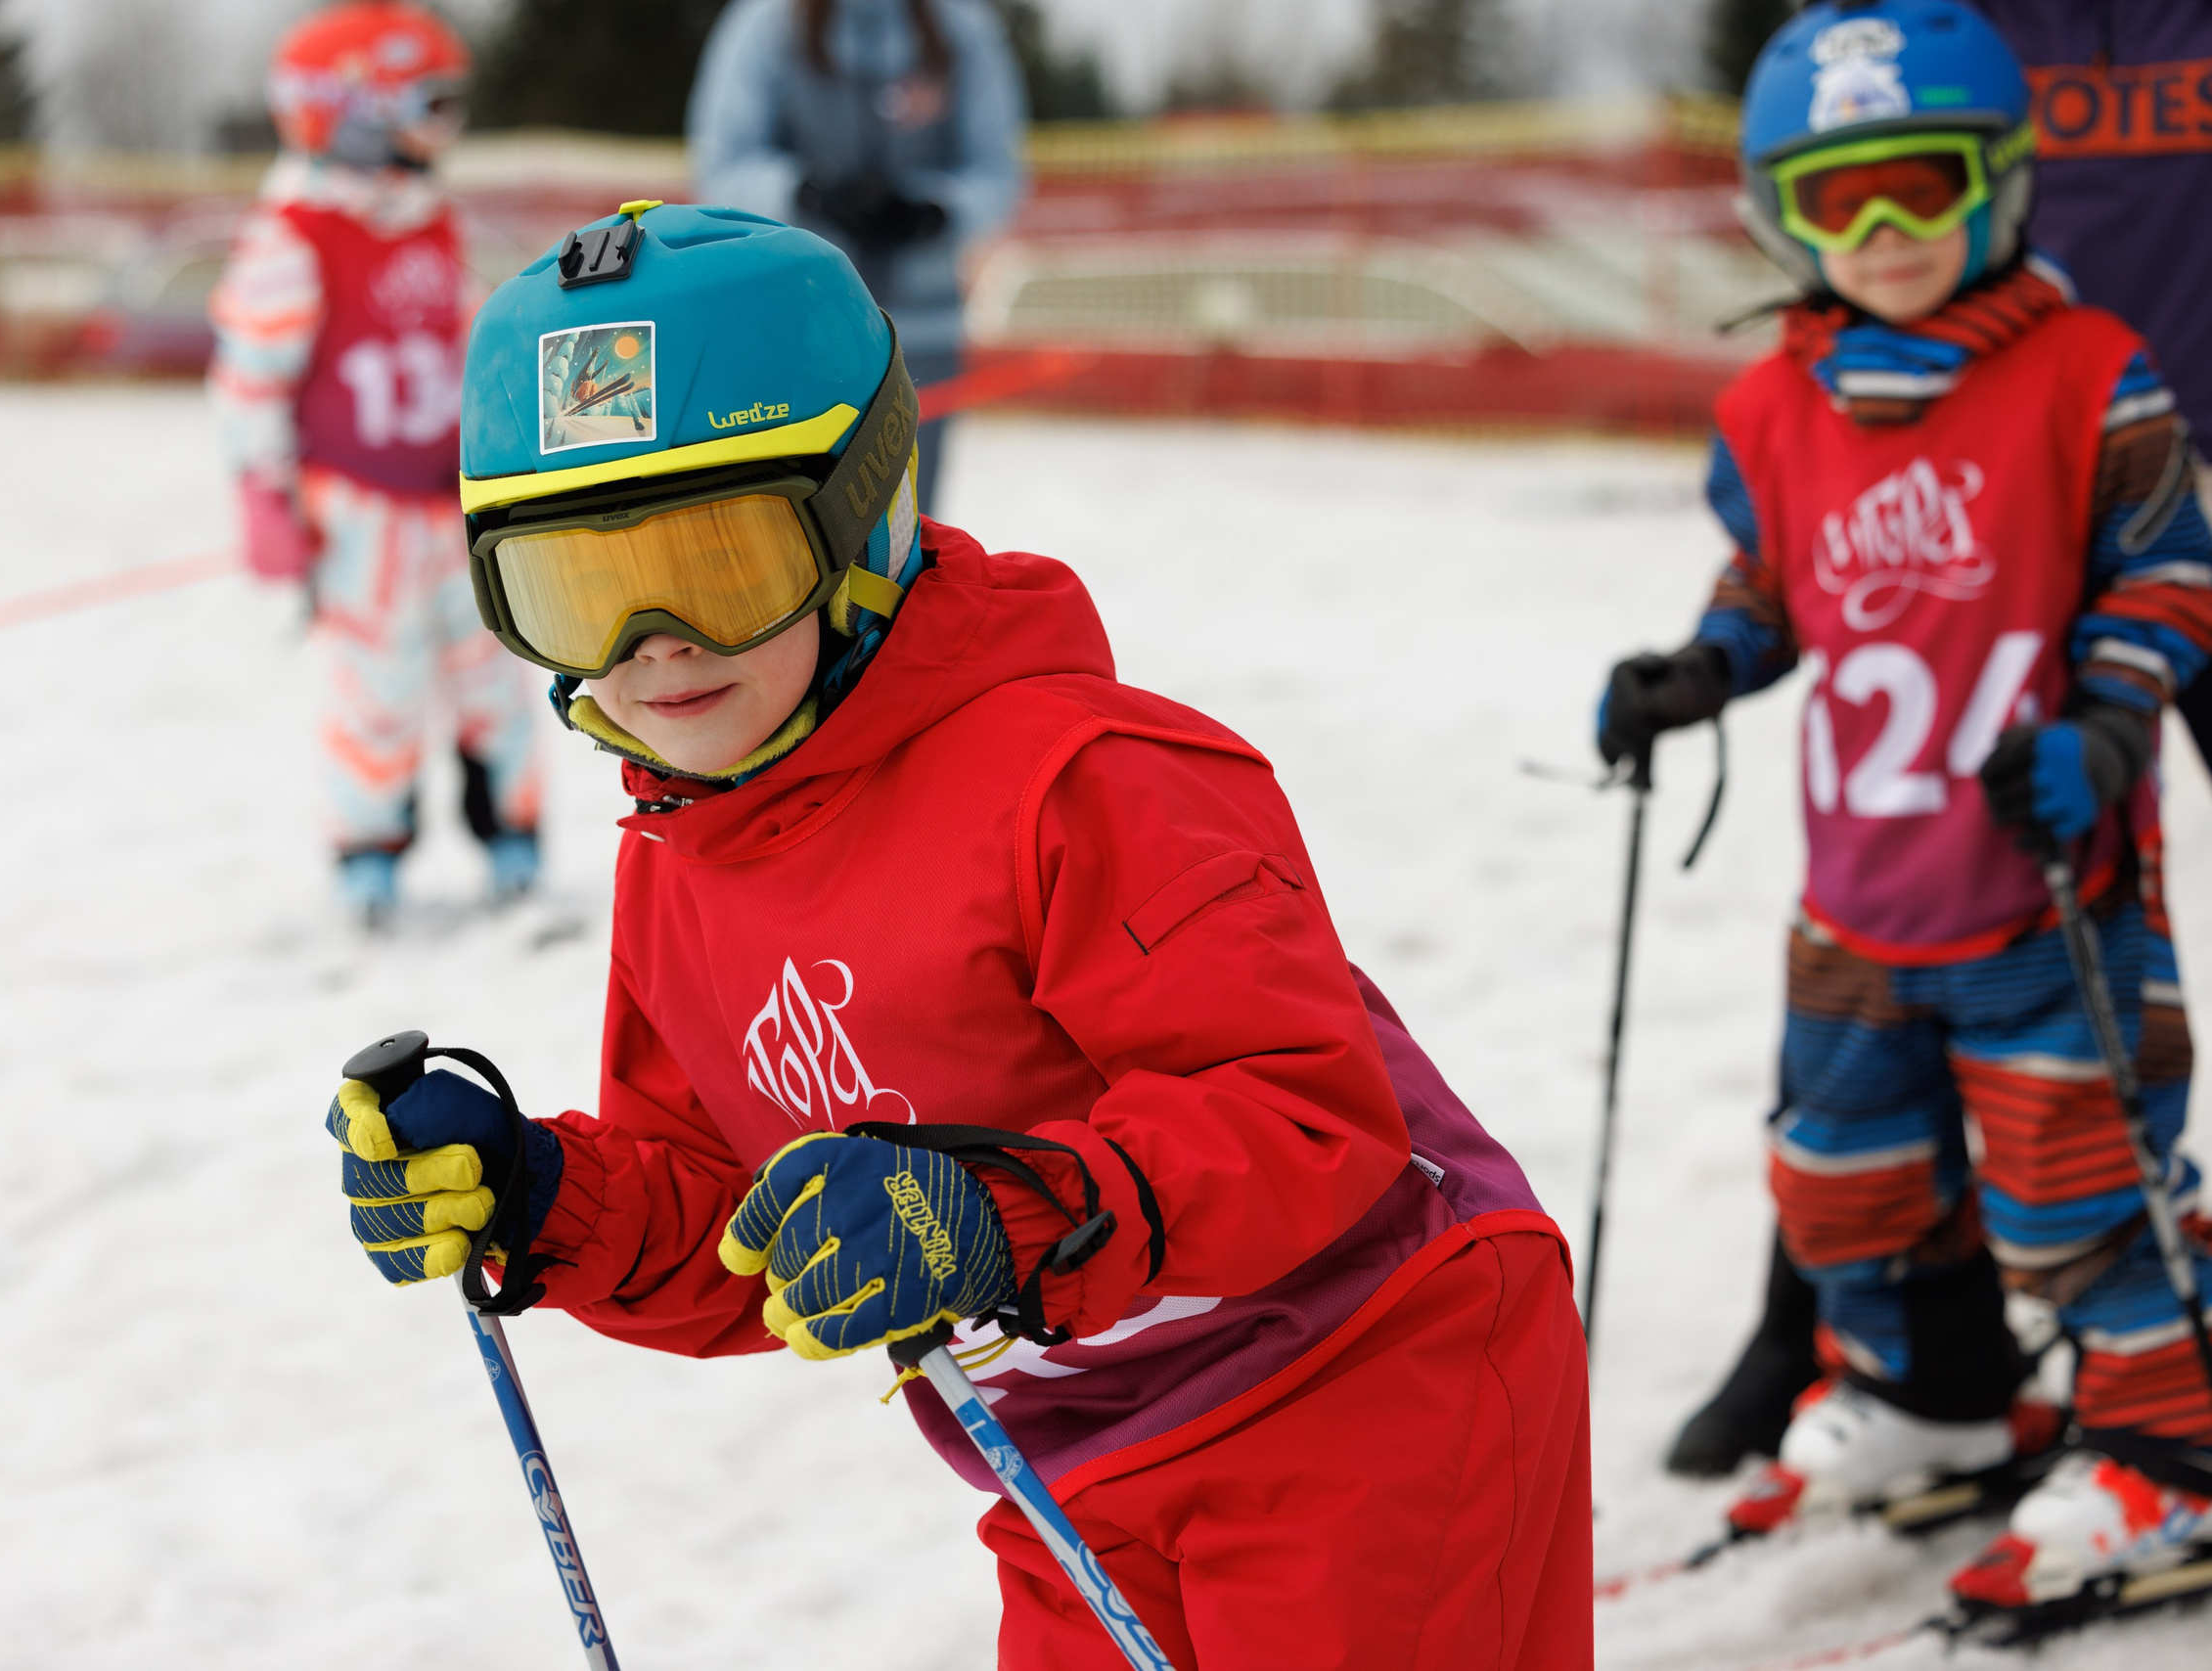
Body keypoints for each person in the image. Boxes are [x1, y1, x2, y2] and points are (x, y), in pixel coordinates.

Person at [327, 202, 1591, 1666]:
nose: (652, 646)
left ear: (863, 517)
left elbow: (1300, 1119)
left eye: (722, 566)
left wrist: (995, 1215)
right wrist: (542, 1196)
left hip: (1362, 1382)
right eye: (576, 592)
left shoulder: (1086, 777)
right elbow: (740, 1220)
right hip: (1071, 1456)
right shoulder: (683, 853)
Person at [1599, 0, 2212, 1611]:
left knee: (2081, 1186)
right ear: (1779, 213)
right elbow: (1772, 583)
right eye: (1838, 196)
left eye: (1922, 185)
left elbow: (2166, 575)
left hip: (2046, 888)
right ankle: (1931, 1390)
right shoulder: (1777, 405)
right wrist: (1700, 668)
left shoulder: (2092, 375)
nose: (1882, 229)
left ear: (1999, 180)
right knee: (1844, 1179)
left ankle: (2169, 1442)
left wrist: (2109, 726)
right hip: (1861, 899)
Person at [207, 1, 544, 926]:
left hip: (456, 501)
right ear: (353, 110)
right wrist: (262, 491)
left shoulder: (432, 221)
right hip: (360, 511)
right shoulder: (296, 236)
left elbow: (474, 343)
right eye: (433, 105)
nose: (449, 128)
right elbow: (250, 374)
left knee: (494, 671)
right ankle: (370, 854)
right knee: (378, 690)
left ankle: (511, 834)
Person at [685, 0, 1024, 515]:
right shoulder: (764, 23)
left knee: (913, 525)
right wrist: (808, 194)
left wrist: (936, 212)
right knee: (796, 526)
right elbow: (722, 163)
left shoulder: (963, 26)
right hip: (796, 331)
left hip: (924, 338)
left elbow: (998, 171)